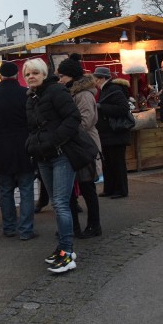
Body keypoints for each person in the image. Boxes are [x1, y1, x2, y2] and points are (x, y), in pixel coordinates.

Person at [23, 58, 80, 274]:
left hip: (61, 155)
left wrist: (55, 141)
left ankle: (66, 253)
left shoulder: (57, 92)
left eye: (35, 72)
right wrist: (32, 145)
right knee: (58, 204)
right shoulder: (31, 97)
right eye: (28, 74)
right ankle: (64, 248)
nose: (31, 76)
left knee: (60, 203)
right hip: (43, 156)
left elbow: (73, 118)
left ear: (44, 74)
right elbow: (32, 127)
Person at [0, 61, 37, 241]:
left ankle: (9, 227)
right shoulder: (27, 94)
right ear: (17, 75)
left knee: (6, 190)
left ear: (0, 76)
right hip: (26, 147)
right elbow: (36, 121)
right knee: (27, 189)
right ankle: (26, 230)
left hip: (3, 148)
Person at [57, 55, 103, 238]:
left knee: (87, 187)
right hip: (76, 144)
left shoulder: (83, 95)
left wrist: (64, 129)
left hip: (83, 145)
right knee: (73, 188)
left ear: (72, 76)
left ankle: (94, 225)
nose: (60, 80)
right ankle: (74, 226)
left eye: (63, 76)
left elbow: (84, 122)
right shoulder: (74, 93)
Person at [94, 66, 131, 199]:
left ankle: (121, 190)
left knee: (117, 163)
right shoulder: (106, 90)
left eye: (97, 79)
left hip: (116, 133)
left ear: (103, 78)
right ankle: (109, 189)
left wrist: (102, 107)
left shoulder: (113, 89)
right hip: (108, 133)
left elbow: (123, 108)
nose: (95, 82)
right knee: (108, 163)